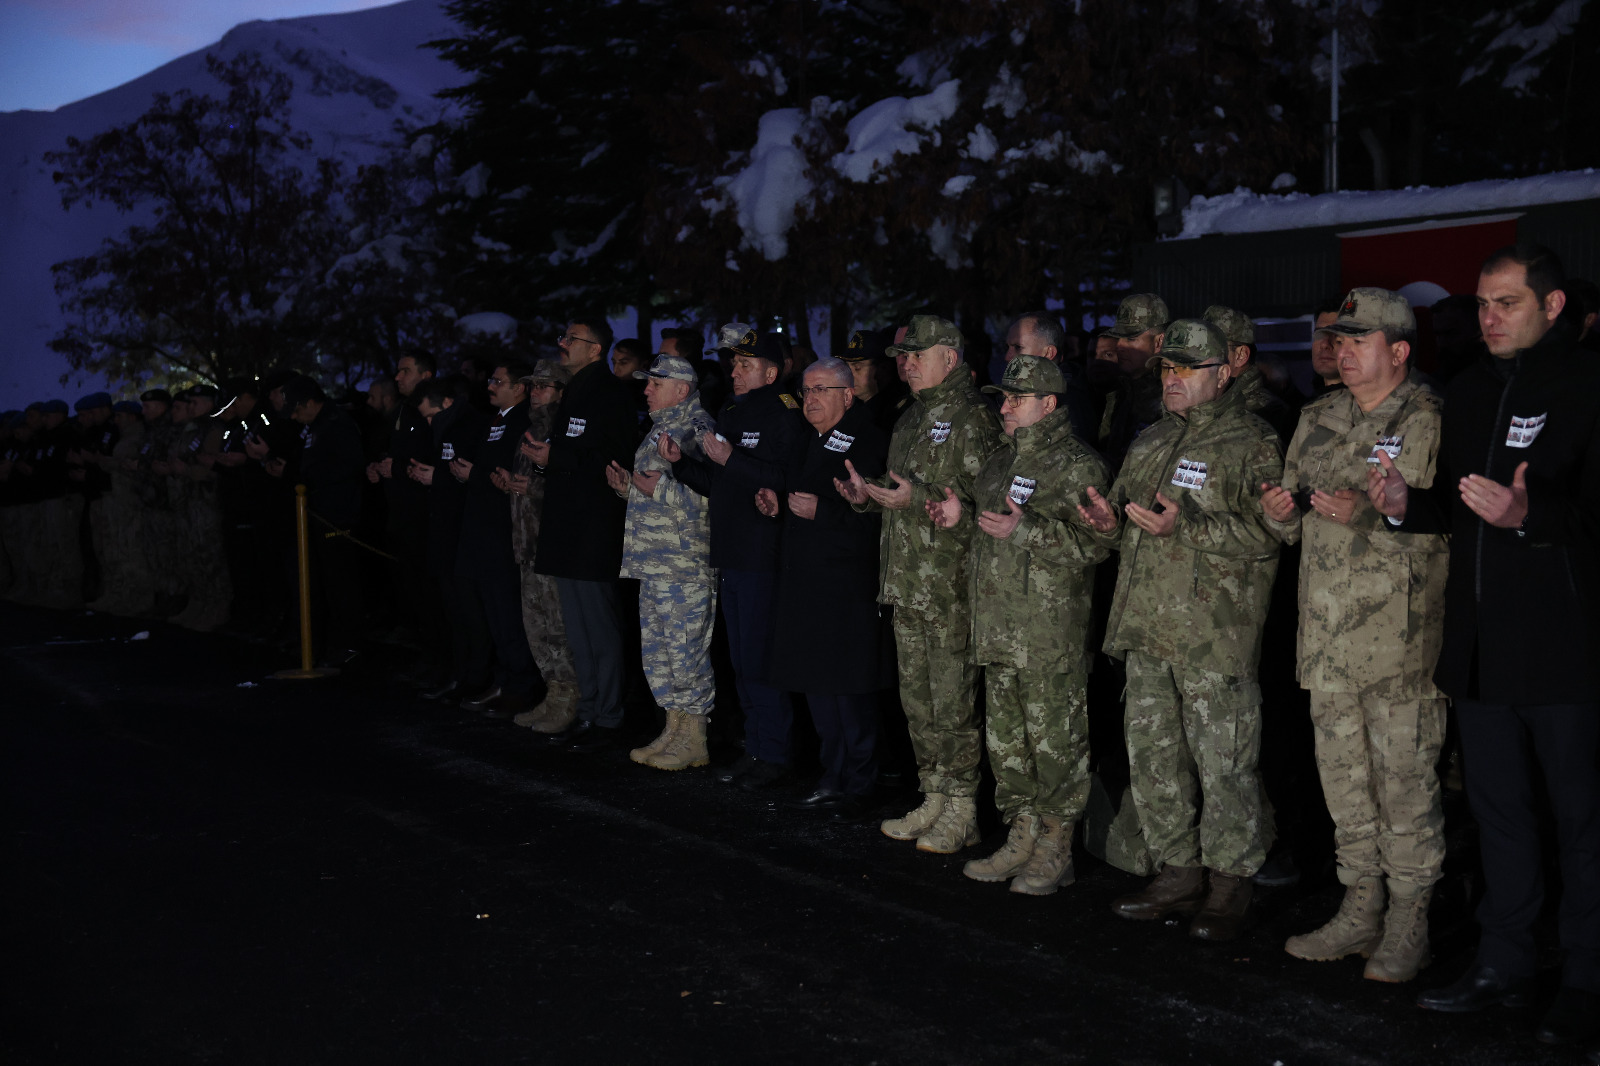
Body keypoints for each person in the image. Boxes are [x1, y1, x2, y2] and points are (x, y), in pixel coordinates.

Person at [1374, 245, 1600, 1047]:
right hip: (1478, 650)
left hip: (1564, 650)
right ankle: (1503, 960)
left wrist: (1530, 520)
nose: (1490, 317)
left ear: (1554, 306)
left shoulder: (1586, 385)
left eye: (1507, 302)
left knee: (1580, 820)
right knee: (1499, 815)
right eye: (1482, 303)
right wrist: (1407, 504)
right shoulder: (1467, 392)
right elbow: (1460, 509)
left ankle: (1585, 975)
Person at [1260, 287, 1448, 982]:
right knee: (1344, 781)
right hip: (1326, 634)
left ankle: (1409, 919)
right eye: (1339, 339)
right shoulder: (1317, 416)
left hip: (1398, 637)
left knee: (1403, 781)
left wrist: (1368, 514)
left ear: (1398, 351)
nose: (1342, 349)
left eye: (1358, 340)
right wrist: (1279, 512)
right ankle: (1360, 904)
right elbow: (1288, 519)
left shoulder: (1429, 416)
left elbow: (1435, 515)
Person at [1080, 318, 1283, 941]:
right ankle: (1177, 869)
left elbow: (1272, 535)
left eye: (1187, 369)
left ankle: (1229, 881)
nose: (1172, 380)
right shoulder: (1150, 440)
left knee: (1223, 763)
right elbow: (1123, 518)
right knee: (1154, 758)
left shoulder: (1253, 443)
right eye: (1167, 369)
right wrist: (1102, 522)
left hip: (1213, 634)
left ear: (1225, 372)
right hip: (1145, 626)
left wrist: (1186, 529)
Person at [929, 355, 1108, 894]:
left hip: (1047, 632)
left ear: (1049, 404)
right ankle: (1022, 833)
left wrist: (1025, 533)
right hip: (998, 627)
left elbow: (1098, 545)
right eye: (1002, 397)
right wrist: (964, 518)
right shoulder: (999, 461)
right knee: (1007, 742)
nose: (1003, 407)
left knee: (1055, 742)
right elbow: (991, 533)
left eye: (1016, 399)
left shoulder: (1077, 465)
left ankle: (1056, 847)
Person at [836, 314, 1002, 852]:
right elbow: (907, 490)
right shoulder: (910, 417)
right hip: (907, 581)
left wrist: (919, 496)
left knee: (954, 703)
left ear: (949, 359)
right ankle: (933, 793)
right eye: (902, 356)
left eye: (917, 354)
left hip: (950, 584)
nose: (904, 363)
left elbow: (989, 502)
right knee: (920, 701)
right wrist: (872, 495)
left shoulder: (975, 417)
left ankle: (961, 808)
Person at [667, 323, 807, 788]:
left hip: (762, 554)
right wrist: (681, 464)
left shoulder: (785, 415)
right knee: (742, 659)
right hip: (730, 551)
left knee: (761, 659)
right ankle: (755, 746)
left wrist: (731, 461)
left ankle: (776, 754)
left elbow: (785, 479)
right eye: (734, 364)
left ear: (771, 373)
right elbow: (718, 483)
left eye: (746, 365)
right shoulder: (730, 409)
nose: (735, 371)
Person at [760, 357, 892, 819]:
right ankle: (831, 774)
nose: (810, 399)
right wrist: (777, 501)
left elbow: (880, 516)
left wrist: (826, 513)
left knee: (849, 689)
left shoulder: (868, 439)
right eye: (806, 391)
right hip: (807, 583)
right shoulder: (807, 437)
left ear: (847, 395)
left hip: (846, 586)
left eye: (820, 390)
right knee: (818, 685)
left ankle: (859, 782)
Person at [529, 318, 638, 753]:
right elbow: (568, 454)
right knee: (576, 626)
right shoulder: (575, 389)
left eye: (571, 339)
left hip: (593, 526)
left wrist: (561, 455)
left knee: (598, 624)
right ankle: (590, 707)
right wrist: (544, 461)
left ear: (595, 349)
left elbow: (616, 455)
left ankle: (608, 713)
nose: (562, 344)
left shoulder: (610, 392)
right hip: (567, 525)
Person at [608, 354, 718, 769]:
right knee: (660, 654)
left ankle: (695, 739)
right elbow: (658, 489)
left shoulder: (698, 429)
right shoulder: (659, 429)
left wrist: (659, 491)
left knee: (686, 652)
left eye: (655, 383)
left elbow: (713, 495)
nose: (646, 390)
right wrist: (628, 489)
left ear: (681, 390)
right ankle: (673, 730)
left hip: (684, 565)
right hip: (654, 562)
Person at [455, 358, 540, 719]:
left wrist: (476, 474)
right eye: (490, 379)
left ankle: (522, 686)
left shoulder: (523, 422)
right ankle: (505, 678)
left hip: (504, 533)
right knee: (491, 611)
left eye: (498, 380)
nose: (491, 385)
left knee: (507, 613)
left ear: (519, 387)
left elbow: (510, 474)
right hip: (483, 530)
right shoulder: (496, 421)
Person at [506, 359, 579, 733]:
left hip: (552, 550)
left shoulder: (565, 431)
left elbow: (572, 487)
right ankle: (553, 693)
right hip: (527, 547)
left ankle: (569, 698)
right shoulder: (529, 430)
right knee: (536, 627)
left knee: (559, 628)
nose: (536, 393)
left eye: (545, 386)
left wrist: (533, 485)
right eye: (533, 386)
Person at [274, 377, 366, 663]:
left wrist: (310, 480)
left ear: (311, 402)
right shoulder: (314, 425)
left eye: (296, 409)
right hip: (318, 513)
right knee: (323, 581)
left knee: (340, 582)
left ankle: (350, 645)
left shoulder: (336, 423)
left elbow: (350, 466)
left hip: (337, 515)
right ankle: (328, 642)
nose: (292, 416)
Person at [1097, 294, 1169, 475]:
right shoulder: (1122, 390)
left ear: (1159, 341)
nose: (1119, 345)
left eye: (1130, 338)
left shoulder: (1172, 394)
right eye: (1118, 338)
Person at [1002, 311, 1096, 442]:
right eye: (1007, 347)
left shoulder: (1067, 399)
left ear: (1048, 353)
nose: (1008, 357)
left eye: (1018, 347)